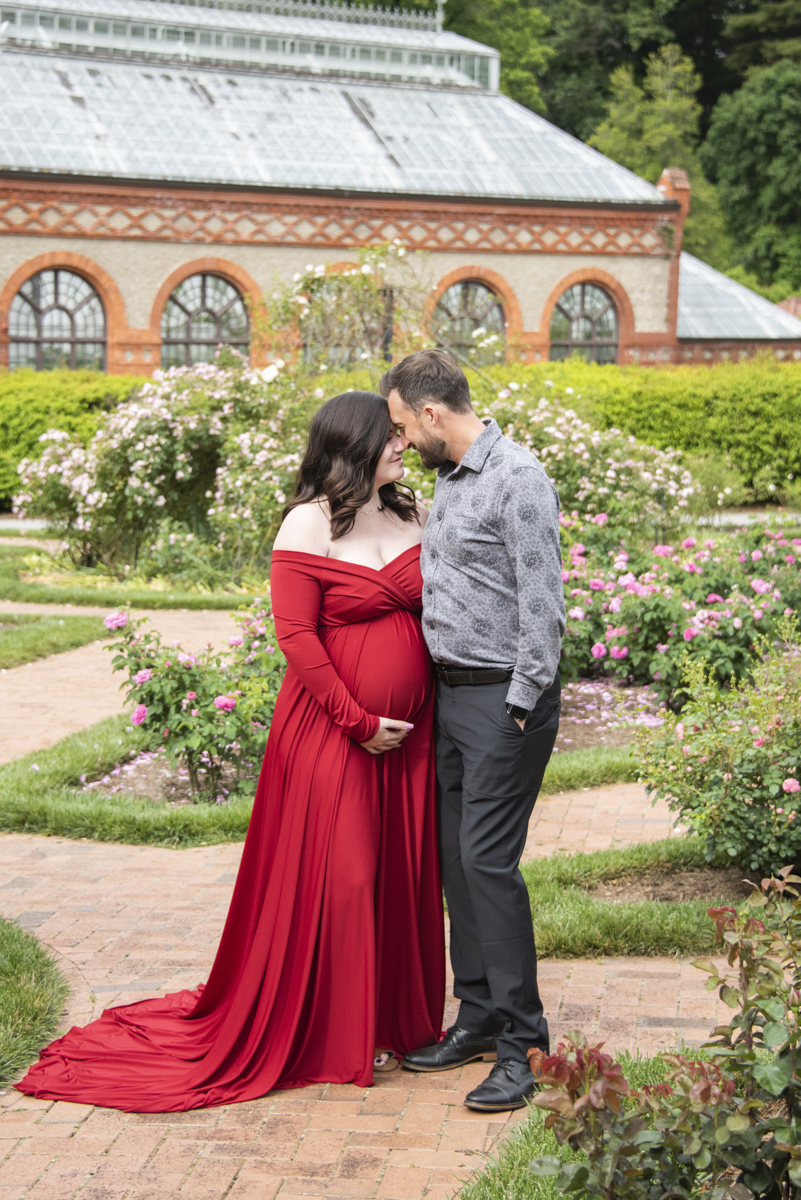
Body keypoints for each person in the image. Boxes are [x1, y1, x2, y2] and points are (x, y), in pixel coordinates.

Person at [17, 391, 445, 1112]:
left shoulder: (410, 513)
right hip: (334, 732)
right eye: (391, 437)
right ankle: (322, 1032)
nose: (403, 445)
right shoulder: (306, 524)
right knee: (345, 875)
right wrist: (357, 720)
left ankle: (386, 1024)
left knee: (399, 876)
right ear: (353, 446)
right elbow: (297, 638)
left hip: (411, 738)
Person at [380, 349, 565, 1113]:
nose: (400, 441)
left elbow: (543, 603)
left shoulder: (516, 478)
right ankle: (480, 1016)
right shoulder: (450, 483)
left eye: (400, 426)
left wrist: (519, 705)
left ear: (430, 414)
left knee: (487, 865)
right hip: (451, 701)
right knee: (457, 864)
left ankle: (525, 1045)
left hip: (502, 703)